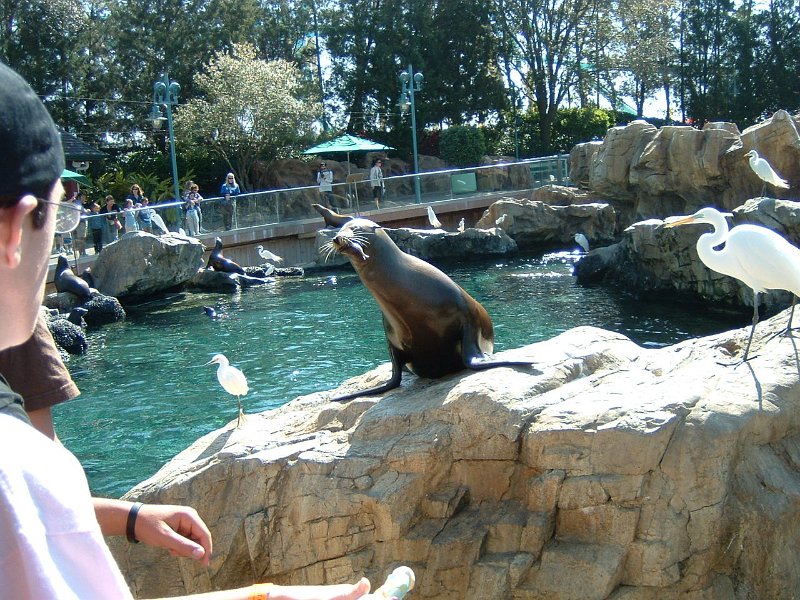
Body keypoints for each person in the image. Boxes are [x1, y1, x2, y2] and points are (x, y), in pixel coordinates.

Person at [0, 61, 374, 600]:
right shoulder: (12, 456)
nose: (62, 244)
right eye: (61, 218)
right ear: (15, 228)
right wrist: (261, 595)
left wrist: (131, 518)